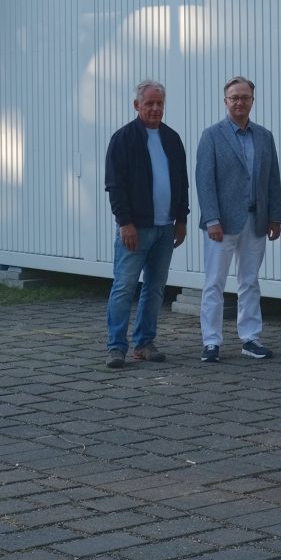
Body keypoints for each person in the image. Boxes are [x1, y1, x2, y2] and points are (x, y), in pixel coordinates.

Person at [193, 76, 281, 363]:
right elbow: (204, 180)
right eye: (234, 98)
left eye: (245, 97)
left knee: (250, 281)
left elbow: (272, 178)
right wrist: (211, 219)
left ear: (252, 101)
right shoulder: (211, 135)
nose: (239, 102)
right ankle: (211, 342)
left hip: (256, 221)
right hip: (221, 224)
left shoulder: (264, 136)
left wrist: (275, 217)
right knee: (214, 283)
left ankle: (250, 338)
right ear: (225, 101)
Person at [102, 79, 189, 369]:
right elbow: (115, 185)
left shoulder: (172, 138)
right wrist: (125, 223)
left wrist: (181, 219)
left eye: (159, 103)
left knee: (155, 289)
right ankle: (116, 347)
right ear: (137, 105)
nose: (155, 108)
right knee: (124, 287)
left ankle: (144, 343)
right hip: (136, 229)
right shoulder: (123, 138)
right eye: (149, 103)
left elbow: (182, 183)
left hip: (165, 228)